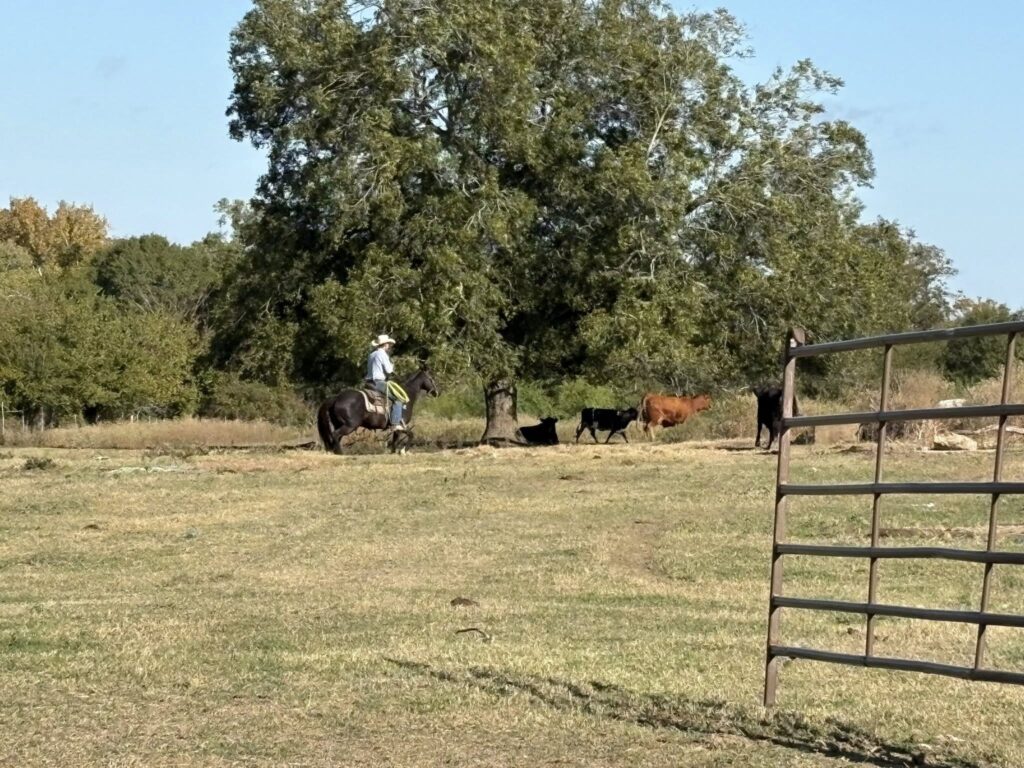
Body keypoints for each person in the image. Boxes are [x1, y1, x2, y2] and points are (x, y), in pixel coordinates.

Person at [366, 333, 405, 430]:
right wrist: (392, 364)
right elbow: (389, 371)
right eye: (388, 344)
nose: (389, 346)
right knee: (398, 399)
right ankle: (395, 424)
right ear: (385, 344)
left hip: (368, 382)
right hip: (378, 382)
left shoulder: (371, 354)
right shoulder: (382, 354)